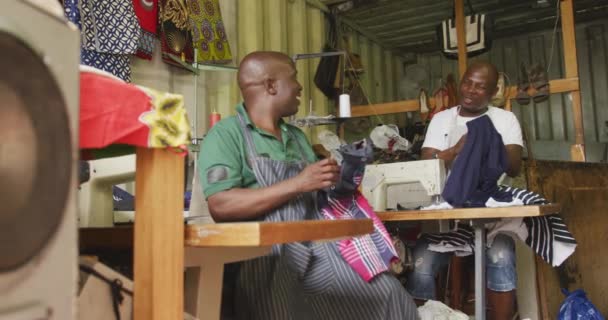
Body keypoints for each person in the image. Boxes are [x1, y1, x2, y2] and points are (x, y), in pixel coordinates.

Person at [199, 51, 419, 320]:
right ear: (270, 85)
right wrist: (298, 183)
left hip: (316, 250)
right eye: (293, 78)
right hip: (267, 258)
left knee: (388, 294)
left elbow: (314, 194)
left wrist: (336, 179)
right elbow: (220, 205)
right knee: (283, 310)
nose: (300, 86)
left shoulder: (296, 136)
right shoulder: (226, 135)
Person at [406, 61, 523, 319]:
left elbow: (514, 166)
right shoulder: (441, 119)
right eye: (467, 82)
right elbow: (427, 163)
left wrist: (487, 137)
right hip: (448, 217)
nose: (470, 90)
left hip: (494, 218)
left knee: (501, 256)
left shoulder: (505, 120)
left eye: (480, 87)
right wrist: (457, 149)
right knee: (421, 262)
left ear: (493, 93)